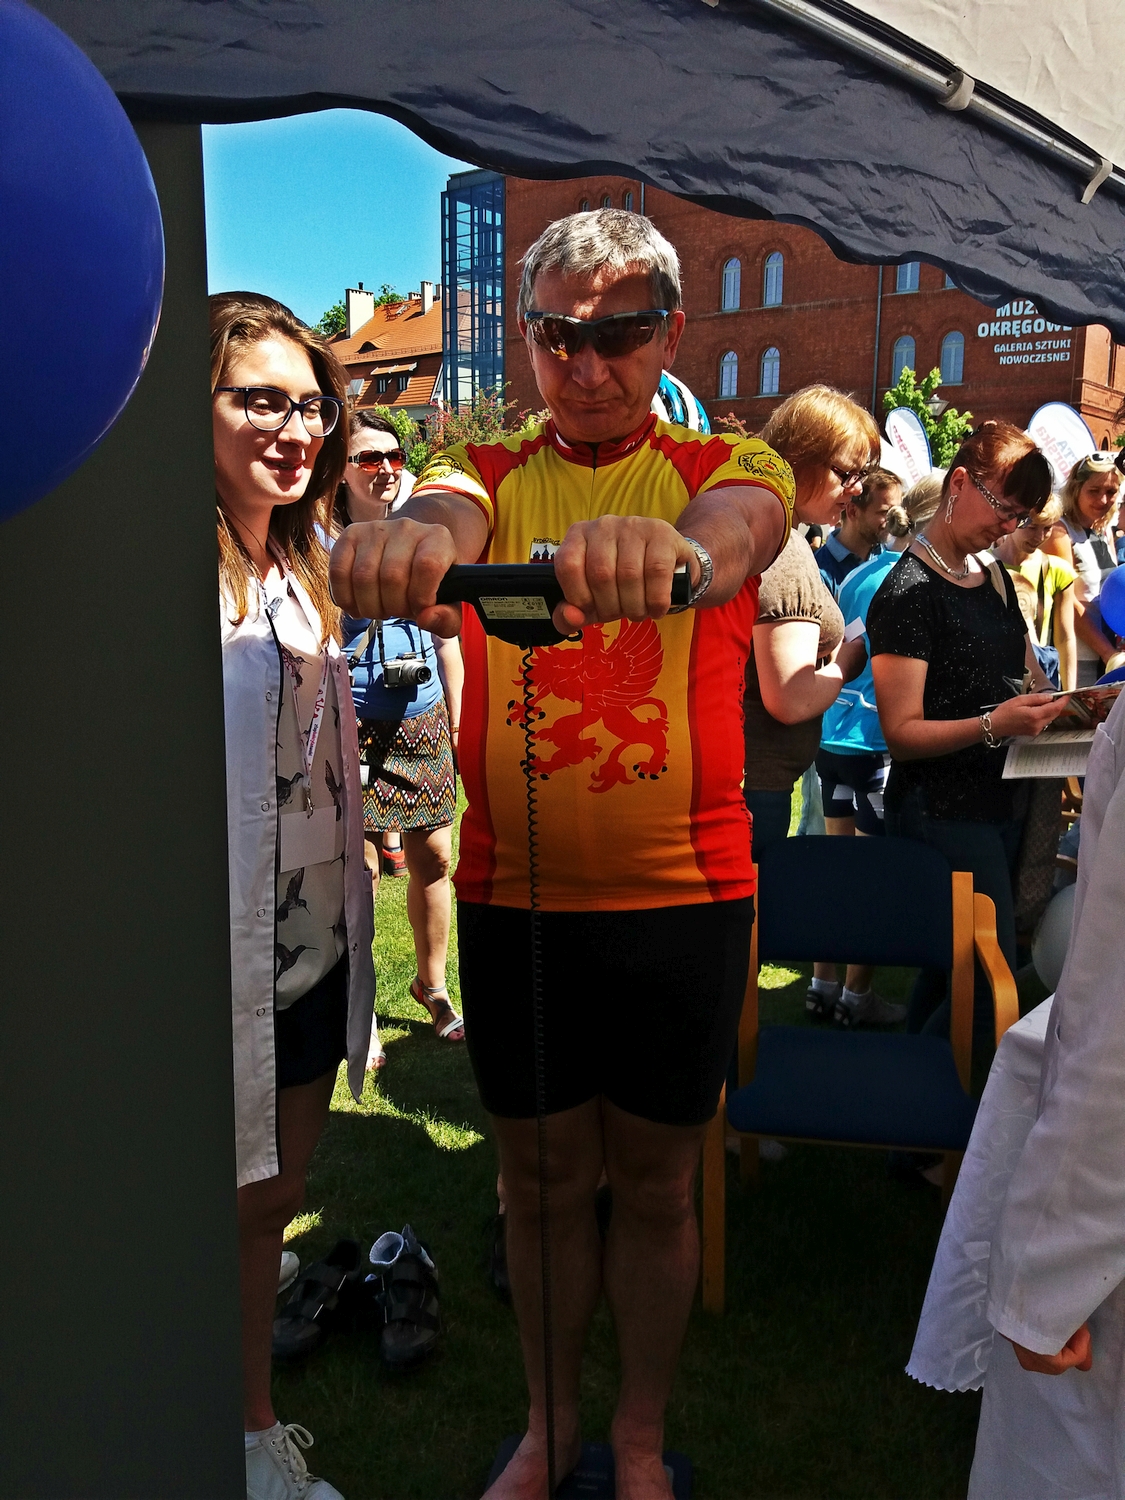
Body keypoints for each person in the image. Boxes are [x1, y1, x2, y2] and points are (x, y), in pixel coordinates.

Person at [329, 207, 794, 1500]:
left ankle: (636, 1436)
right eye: (556, 336)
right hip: (517, 900)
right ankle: (547, 1427)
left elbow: (741, 529)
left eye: (622, 333)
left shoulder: (724, 455)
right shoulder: (488, 462)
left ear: (671, 333)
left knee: (655, 1187)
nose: (588, 366)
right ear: (528, 340)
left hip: (684, 899)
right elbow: (447, 509)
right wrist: (414, 539)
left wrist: (681, 551)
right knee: (535, 1186)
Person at [213, 293, 375, 1500]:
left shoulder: (304, 564)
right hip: (216, 944)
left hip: (314, 935)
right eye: (259, 400)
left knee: (274, 1196)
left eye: (311, 404)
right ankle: (242, 1430)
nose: (294, 428)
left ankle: (244, 1404)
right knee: (226, 1195)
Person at [867, 421, 1067, 1047]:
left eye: (1021, 517)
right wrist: (993, 724)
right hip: (942, 811)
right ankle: (920, 1095)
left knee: (951, 970)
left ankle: (913, 1097)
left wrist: (1066, 706)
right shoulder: (908, 591)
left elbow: (1030, 675)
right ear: (959, 483)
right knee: (988, 978)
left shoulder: (995, 578)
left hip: (999, 801)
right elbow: (901, 733)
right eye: (1004, 508)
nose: (1008, 526)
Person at [740, 387, 892, 1022]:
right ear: (801, 454)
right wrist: (850, 660)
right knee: (736, 955)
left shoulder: (764, 523)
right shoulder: (783, 543)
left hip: (747, 778)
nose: (854, 491)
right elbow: (791, 696)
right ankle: (732, 1078)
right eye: (845, 472)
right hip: (753, 786)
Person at [334, 410, 465, 1044]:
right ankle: (359, 1006)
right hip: (353, 723)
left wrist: (459, 725)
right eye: (368, 458)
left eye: (393, 456)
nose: (384, 468)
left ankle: (431, 986)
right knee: (357, 871)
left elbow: (448, 641)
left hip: (422, 716)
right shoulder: (321, 545)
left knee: (435, 858)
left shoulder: (427, 539)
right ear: (341, 471)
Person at [809, 498, 912, 1026]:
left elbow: (844, 645)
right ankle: (855, 996)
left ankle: (821, 983)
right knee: (871, 876)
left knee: (838, 867)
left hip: (833, 739)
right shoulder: (914, 581)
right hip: (874, 744)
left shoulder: (857, 575)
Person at [1041, 452, 1123, 686]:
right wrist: (1107, 652)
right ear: (1076, 489)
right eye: (1094, 491)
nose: (1103, 500)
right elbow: (1067, 601)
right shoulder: (1059, 532)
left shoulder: (1104, 530)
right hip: (1079, 657)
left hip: (1110, 654)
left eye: (1111, 492)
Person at [992, 493, 1077, 691]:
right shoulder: (983, 565)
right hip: (997, 675)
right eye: (1032, 528)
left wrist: (1069, 692)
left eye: (1047, 528)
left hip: (1041, 678)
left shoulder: (1057, 570)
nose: (1039, 537)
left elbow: (1065, 638)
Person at [816, 465, 901, 593]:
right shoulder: (819, 572)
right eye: (885, 512)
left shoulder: (889, 555)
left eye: (896, 511)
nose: (894, 519)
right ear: (853, 511)